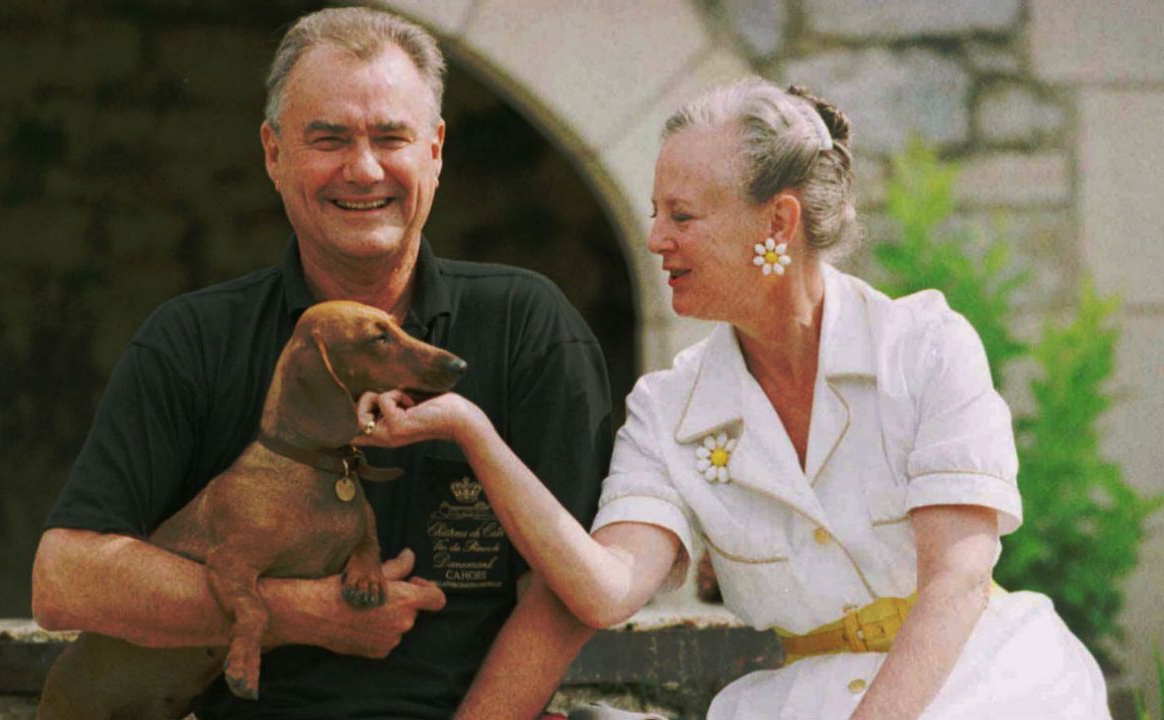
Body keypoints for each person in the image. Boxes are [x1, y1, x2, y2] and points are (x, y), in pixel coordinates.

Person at [357, 77, 1111, 719]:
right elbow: (604, 588)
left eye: (682, 216)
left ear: (778, 222)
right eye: (655, 214)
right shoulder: (667, 407)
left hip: (980, 680)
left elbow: (957, 580)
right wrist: (471, 431)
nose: (655, 240)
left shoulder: (925, 346)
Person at [30, 7, 612, 719]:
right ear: (274, 154)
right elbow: (65, 580)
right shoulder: (191, 339)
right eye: (328, 138)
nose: (363, 169)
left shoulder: (529, 327)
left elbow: (561, 595)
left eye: (391, 137)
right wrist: (294, 613)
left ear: (435, 149)